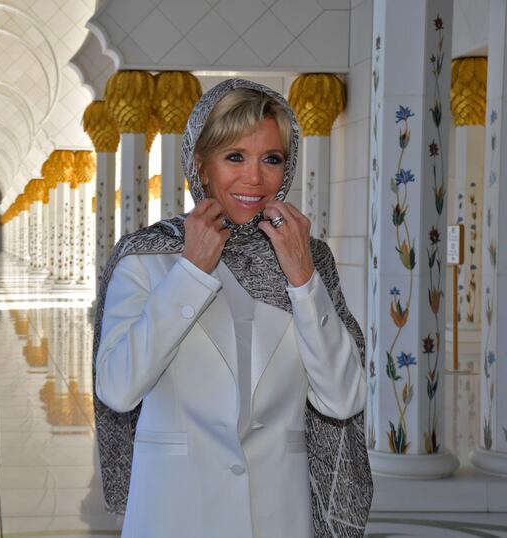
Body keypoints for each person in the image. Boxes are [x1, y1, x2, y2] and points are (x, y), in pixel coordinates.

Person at [93, 79, 372, 537]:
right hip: (176, 511)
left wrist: (303, 280)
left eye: (272, 159)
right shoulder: (147, 259)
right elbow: (119, 389)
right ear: (202, 165)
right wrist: (190, 273)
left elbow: (343, 399)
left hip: (278, 515)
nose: (255, 178)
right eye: (235, 157)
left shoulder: (307, 257)